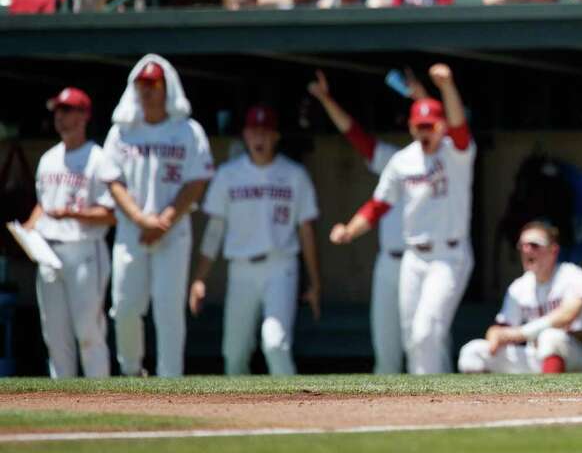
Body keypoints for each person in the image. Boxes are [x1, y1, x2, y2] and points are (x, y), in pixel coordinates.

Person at [329, 63, 474, 375]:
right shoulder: (402, 160)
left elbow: (460, 130)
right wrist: (350, 230)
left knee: (426, 331)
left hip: (448, 256)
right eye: (419, 125)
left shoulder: (455, 153)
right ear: (411, 127)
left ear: (440, 127)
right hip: (413, 258)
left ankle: (437, 404)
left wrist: (447, 86)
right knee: (412, 338)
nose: (424, 131)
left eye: (430, 125)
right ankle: (423, 408)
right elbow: (379, 205)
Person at [188, 105, 321, 376]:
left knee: (275, 343)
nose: (259, 137)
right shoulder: (228, 174)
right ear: (245, 135)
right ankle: (237, 418)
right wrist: (199, 278)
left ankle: (293, 412)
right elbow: (215, 230)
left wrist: (315, 282)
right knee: (233, 353)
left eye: (265, 131)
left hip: (280, 266)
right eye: (253, 131)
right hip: (241, 269)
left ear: (275, 136)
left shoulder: (294, 175)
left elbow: (307, 231)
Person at [104, 55, 213, 377]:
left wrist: (164, 219)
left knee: (168, 309)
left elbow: (197, 179)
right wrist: (140, 219)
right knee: (124, 307)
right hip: (131, 232)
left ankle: (170, 380)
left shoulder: (187, 131)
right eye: (142, 85)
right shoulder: (122, 132)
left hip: (173, 232)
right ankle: (131, 370)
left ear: (167, 88)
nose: (147, 91)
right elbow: (113, 180)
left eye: (153, 85)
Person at [308, 70, 409, 374]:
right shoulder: (398, 160)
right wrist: (326, 100)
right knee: (386, 349)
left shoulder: (446, 161)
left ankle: (443, 409)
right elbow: (356, 135)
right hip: (389, 262)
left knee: (424, 344)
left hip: (424, 260)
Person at [22, 88, 118, 378]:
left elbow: (111, 214)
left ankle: (101, 401)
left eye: (67, 111)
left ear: (84, 116)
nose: (60, 118)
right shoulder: (49, 159)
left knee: (88, 332)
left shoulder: (99, 158)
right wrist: (27, 227)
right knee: (54, 335)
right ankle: (62, 402)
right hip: (49, 251)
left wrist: (72, 214)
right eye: (57, 112)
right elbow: (43, 204)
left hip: (85, 249)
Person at [458, 221, 582, 373]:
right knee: (473, 352)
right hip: (535, 355)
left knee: (550, 337)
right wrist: (495, 334)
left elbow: (567, 314)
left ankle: (551, 395)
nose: (526, 250)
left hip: (574, 353)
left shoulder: (572, 275)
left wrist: (522, 333)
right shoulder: (520, 286)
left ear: (554, 250)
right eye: (522, 245)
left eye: (534, 245)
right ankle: (491, 397)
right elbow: (500, 330)